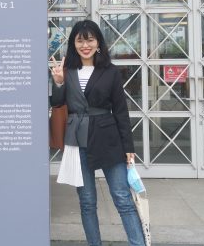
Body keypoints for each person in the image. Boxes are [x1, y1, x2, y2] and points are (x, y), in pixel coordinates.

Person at [50, 19, 145, 246]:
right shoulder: (67, 70)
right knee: (87, 201)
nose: (85, 45)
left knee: (122, 198)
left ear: (98, 43)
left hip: (108, 138)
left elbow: (120, 111)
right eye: (80, 40)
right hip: (77, 138)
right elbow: (57, 103)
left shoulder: (110, 71)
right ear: (73, 43)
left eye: (90, 39)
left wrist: (128, 147)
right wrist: (59, 82)